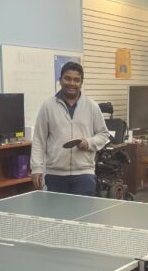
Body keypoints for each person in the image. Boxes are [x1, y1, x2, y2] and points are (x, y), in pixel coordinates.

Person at [31, 61, 111, 196]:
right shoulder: (48, 106)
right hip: (55, 175)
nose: (72, 83)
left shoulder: (92, 106)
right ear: (60, 80)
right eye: (67, 78)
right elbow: (39, 139)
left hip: (84, 174)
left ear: (81, 83)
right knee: (57, 216)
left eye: (76, 80)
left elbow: (104, 134)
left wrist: (88, 142)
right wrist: (36, 168)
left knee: (84, 216)